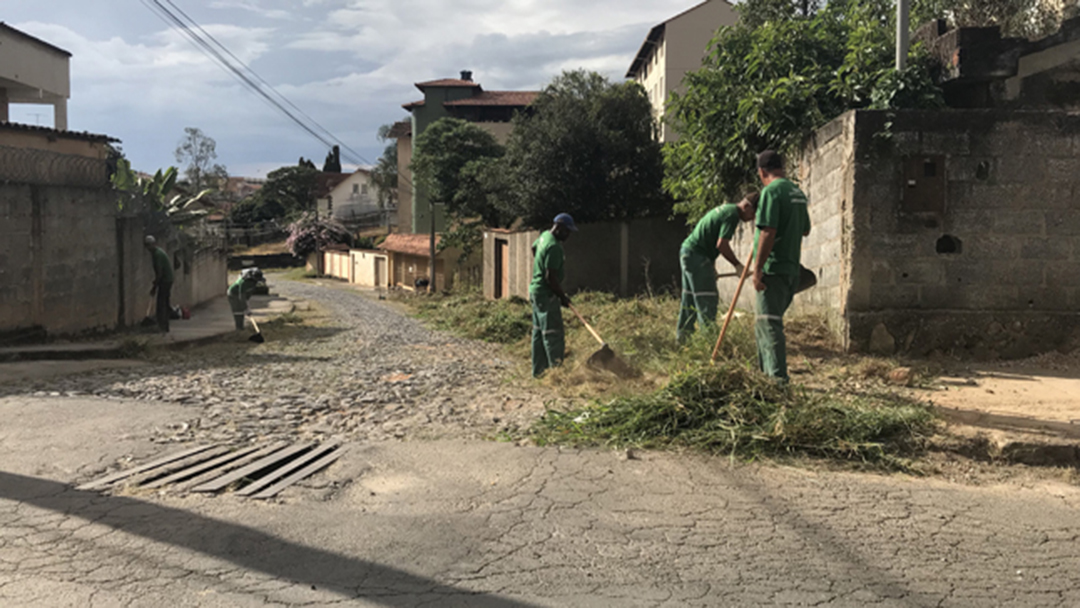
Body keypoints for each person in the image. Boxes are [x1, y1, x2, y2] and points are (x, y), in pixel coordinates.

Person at [752, 150, 811, 383]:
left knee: (769, 324)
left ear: (761, 172)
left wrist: (757, 270)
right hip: (791, 268)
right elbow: (805, 229)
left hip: (773, 270)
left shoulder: (771, 192)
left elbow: (768, 230)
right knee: (768, 323)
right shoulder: (797, 192)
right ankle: (764, 377)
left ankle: (776, 382)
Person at [677, 192, 759, 343]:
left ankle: (683, 340)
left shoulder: (725, 209)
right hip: (697, 255)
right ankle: (710, 342)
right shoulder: (732, 215)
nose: (752, 219)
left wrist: (711, 267)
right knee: (707, 298)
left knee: (689, 299)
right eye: (754, 213)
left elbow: (709, 237)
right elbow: (721, 244)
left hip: (688, 252)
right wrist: (738, 265)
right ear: (747, 206)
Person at [529, 213, 576, 378]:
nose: (568, 235)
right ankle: (556, 374)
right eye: (567, 231)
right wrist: (562, 297)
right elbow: (551, 278)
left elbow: (534, 248)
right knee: (552, 334)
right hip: (546, 294)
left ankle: (539, 372)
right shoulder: (555, 247)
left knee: (538, 332)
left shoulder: (544, 237)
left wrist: (539, 264)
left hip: (535, 292)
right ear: (560, 228)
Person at [145, 236, 174, 333]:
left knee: (161, 303)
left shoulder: (157, 254)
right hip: (166, 279)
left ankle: (162, 326)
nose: (148, 248)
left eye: (149, 245)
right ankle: (164, 326)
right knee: (164, 302)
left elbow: (160, 272)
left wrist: (155, 286)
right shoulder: (157, 253)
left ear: (153, 244)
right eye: (147, 246)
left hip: (165, 280)